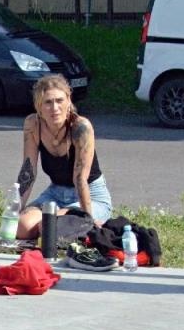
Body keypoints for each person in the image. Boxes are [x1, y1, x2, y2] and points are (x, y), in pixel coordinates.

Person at [15, 73, 114, 239]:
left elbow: (80, 179)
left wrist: (87, 220)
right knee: (21, 227)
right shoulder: (33, 124)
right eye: (48, 102)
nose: (55, 108)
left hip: (90, 195)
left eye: (59, 100)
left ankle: (62, 228)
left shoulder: (80, 127)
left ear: (68, 100)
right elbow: (28, 172)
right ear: (39, 106)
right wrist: (15, 211)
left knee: (49, 228)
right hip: (55, 193)